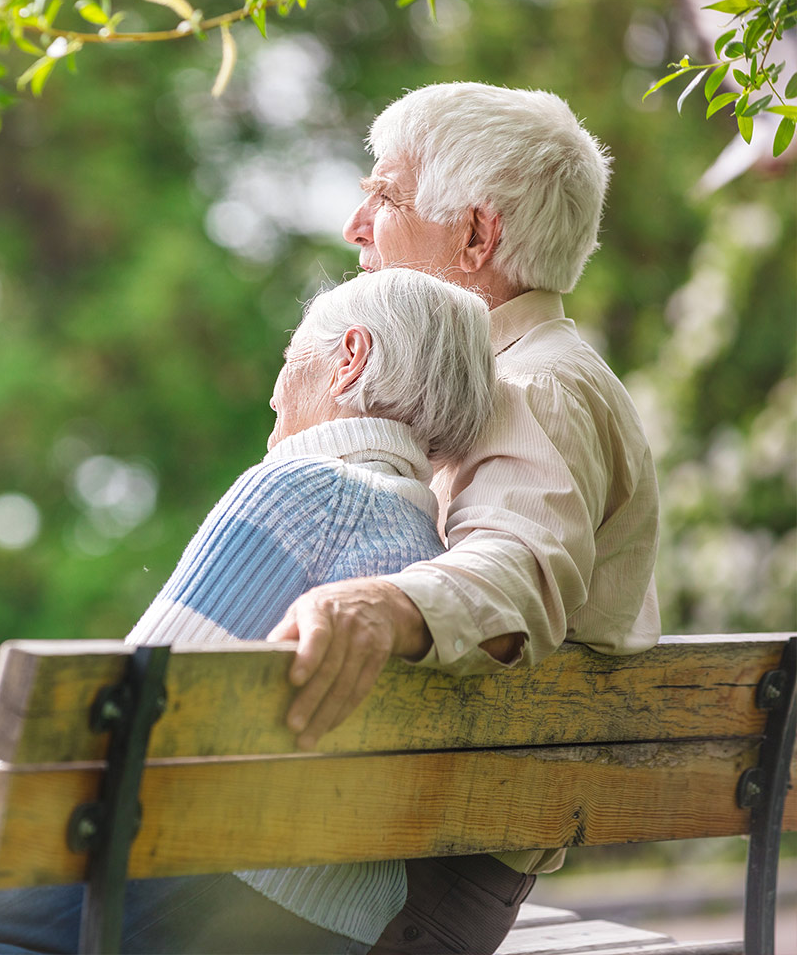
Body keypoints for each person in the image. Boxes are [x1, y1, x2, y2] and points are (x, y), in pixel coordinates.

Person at [0, 267, 497, 955]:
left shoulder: (305, 492)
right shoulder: (428, 550)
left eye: (293, 356)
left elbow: (106, 741)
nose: (272, 387)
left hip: (192, 886)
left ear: (349, 359)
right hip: (336, 922)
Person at [265, 83, 660, 955]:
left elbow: (518, 568)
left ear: (476, 236)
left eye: (385, 195)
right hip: (399, 848)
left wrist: (383, 606)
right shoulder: (495, 382)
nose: (354, 225)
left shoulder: (532, 386)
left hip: (416, 884)